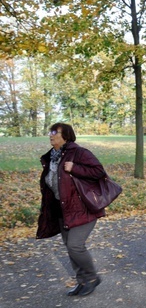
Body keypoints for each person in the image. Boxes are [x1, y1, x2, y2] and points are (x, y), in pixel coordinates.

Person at [37, 123, 107, 297]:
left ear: (66, 136)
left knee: (75, 246)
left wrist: (74, 168)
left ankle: (92, 277)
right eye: (50, 132)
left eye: (55, 132)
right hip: (63, 209)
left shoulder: (79, 153)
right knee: (70, 247)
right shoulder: (51, 157)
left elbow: (98, 171)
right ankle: (82, 281)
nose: (50, 135)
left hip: (83, 208)